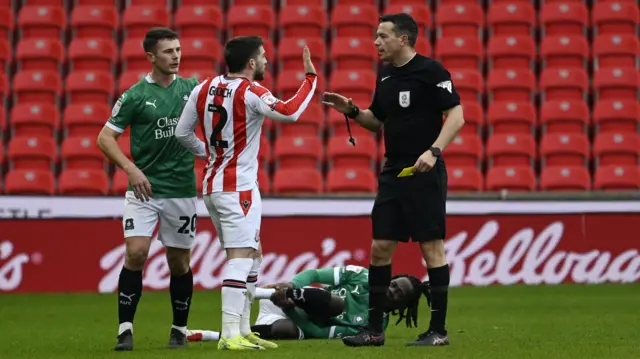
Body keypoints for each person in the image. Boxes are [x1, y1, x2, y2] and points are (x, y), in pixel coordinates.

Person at [322, 13, 465, 347]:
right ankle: (374, 330)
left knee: (432, 248)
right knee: (380, 246)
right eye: (376, 36)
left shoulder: (433, 72)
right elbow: (377, 123)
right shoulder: (385, 76)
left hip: (425, 170)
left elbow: (456, 116)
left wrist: (434, 152)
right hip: (394, 171)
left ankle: (438, 331)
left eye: (382, 36)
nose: (376, 42)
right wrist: (353, 111)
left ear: (403, 39)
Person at [174, 35, 317, 350]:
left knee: (254, 255)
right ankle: (228, 335)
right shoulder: (252, 92)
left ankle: (242, 328)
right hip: (237, 188)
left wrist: (211, 154)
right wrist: (310, 79)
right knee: (240, 259)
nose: (266, 61)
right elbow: (290, 112)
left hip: (213, 186)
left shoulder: (203, 88)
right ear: (251, 62)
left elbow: (181, 133)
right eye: (263, 56)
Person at [96, 27, 200, 351]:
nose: (176, 56)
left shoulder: (194, 89)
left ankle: (179, 329)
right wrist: (131, 169)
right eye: (169, 51)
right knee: (136, 252)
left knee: (179, 263)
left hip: (182, 190)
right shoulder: (135, 96)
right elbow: (104, 138)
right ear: (151, 57)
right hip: (144, 192)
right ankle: (125, 329)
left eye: (179, 50)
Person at [184, 265, 431, 342]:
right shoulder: (364, 275)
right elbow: (313, 275)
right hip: (283, 298)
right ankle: (251, 293)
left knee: (289, 331)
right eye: (394, 284)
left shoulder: (372, 327)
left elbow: (318, 332)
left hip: (297, 318)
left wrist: (292, 310)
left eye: (399, 294)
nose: (392, 291)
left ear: (401, 308)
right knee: (335, 301)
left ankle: (212, 336)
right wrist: (291, 287)